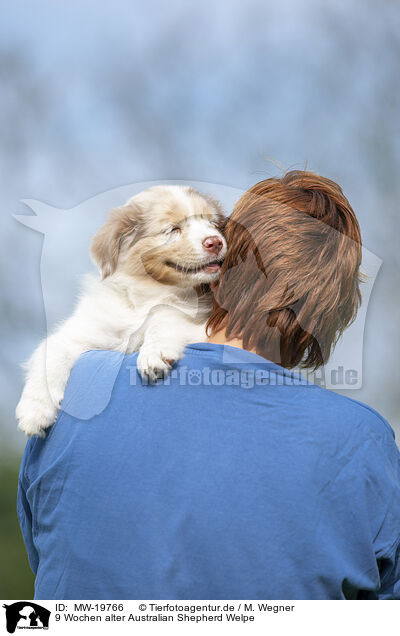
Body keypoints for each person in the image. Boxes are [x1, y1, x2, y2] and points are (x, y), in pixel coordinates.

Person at [17, 171, 400, 600]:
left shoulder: (74, 389)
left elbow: (47, 555)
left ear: (217, 274)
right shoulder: (362, 442)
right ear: (334, 318)